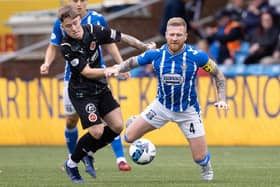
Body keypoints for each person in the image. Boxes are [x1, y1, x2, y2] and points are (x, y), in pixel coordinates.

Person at [105, 17, 229, 181]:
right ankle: (136, 121)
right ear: (166, 35)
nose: (175, 38)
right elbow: (132, 62)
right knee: (128, 137)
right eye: (172, 34)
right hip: (161, 107)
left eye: (179, 35)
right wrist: (117, 68)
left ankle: (206, 167)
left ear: (185, 36)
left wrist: (222, 98)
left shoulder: (196, 56)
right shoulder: (156, 54)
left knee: (199, 158)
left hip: (188, 111)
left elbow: (218, 73)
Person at [57, 5, 155, 183]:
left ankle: (89, 152)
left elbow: (120, 36)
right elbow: (86, 72)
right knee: (96, 131)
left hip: (100, 87)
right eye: (69, 26)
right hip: (81, 92)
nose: (74, 28)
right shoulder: (66, 46)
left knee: (118, 126)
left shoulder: (93, 29)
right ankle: (72, 164)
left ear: (80, 19)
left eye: (76, 23)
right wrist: (111, 70)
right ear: (63, 27)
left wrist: (144, 46)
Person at [40, 0, 131, 176]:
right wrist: (46, 63)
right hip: (75, 79)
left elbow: (110, 41)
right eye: (74, 0)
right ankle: (75, 156)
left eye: (81, 0)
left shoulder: (97, 20)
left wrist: (121, 65)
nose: (79, 3)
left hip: (101, 76)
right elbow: (53, 46)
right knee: (72, 120)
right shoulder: (62, 24)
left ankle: (118, 158)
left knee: (110, 123)